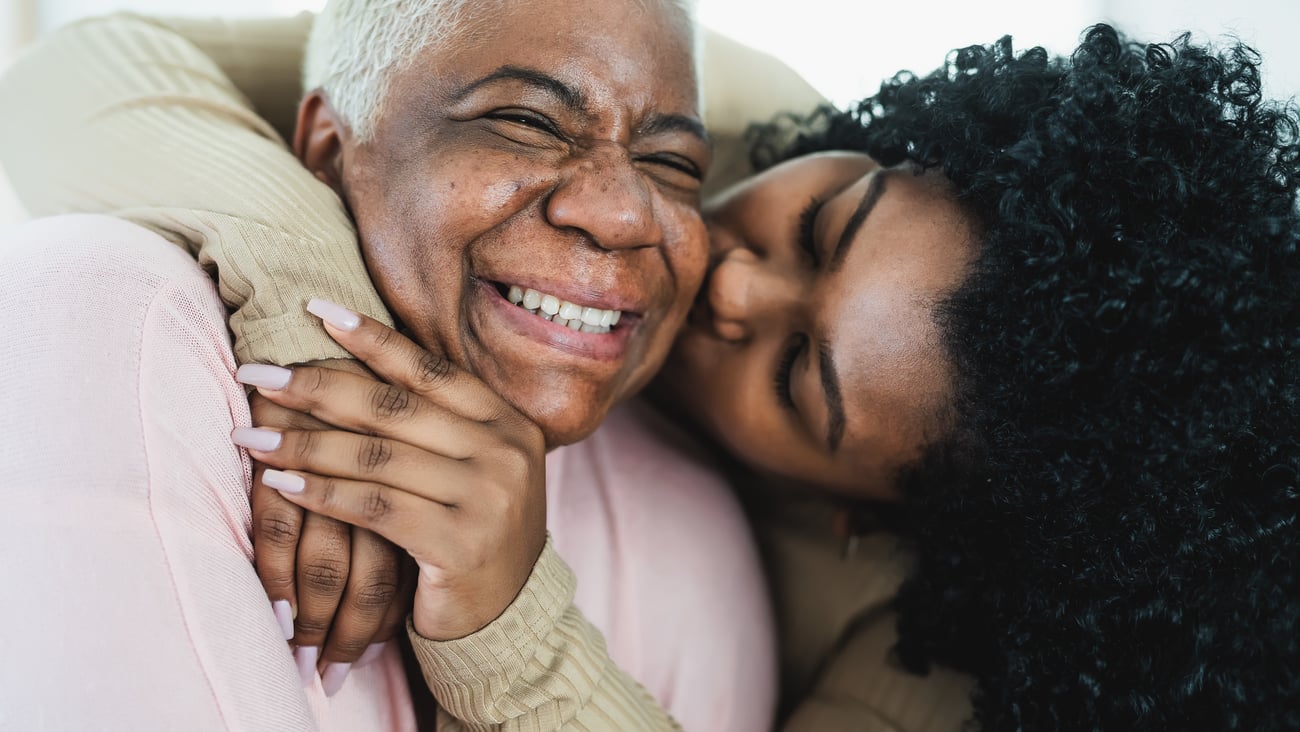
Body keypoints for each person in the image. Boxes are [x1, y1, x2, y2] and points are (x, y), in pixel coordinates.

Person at [8, 14, 1297, 732]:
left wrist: (509, 613)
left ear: (856, 513)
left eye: (799, 375)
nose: (730, 276)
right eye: (820, 223)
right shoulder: (691, 113)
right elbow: (80, 68)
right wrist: (310, 313)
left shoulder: (914, 667)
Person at [0, 1, 805, 730]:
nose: (626, 213)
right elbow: (68, 74)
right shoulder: (116, 325)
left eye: (674, 165)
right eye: (527, 120)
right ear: (325, 148)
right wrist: (315, 317)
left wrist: (511, 644)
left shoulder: (692, 531)